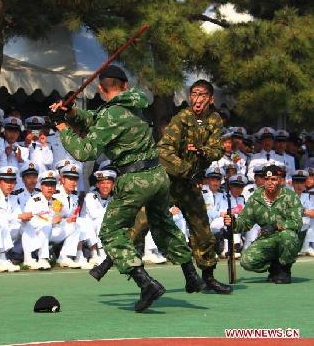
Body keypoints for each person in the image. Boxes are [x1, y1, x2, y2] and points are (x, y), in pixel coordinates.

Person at [50, 65, 204, 313]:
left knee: (111, 232)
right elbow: (98, 119)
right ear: (124, 86)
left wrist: (61, 126)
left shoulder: (112, 114)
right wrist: (71, 114)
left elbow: (85, 151)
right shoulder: (134, 104)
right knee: (163, 223)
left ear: (100, 88)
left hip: (134, 180)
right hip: (157, 175)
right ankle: (191, 275)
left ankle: (146, 283)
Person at [157, 79, 232, 294]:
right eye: (194, 94)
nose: (197, 100)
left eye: (202, 95)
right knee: (142, 221)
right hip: (169, 180)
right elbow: (163, 150)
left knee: (202, 229)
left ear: (210, 99)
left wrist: (202, 151)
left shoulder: (215, 120)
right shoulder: (181, 118)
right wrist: (186, 169)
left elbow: (217, 149)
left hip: (190, 184)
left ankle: (208, 277)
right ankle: (114, 260)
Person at [223, 165, 303, 284]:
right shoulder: (256, 198)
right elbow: (245, 221)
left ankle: (285, 270)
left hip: (286, 237)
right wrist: (233, 223)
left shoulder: (290, 196)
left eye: (273, 179)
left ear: (280, 180)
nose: (270, 182)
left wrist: (276, 226)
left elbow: (297, 222)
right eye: (267, 179)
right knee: (246, 261)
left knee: (287, 236)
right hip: (267, 239)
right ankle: (275, 268)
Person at [291, 170, 314, 256]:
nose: (299, 185)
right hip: (289, 228)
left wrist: (302, 211)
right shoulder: (286, 195)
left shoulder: (306, 196)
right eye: (297, 182)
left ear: (305, 183)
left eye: (302, 182)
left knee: (311, 220)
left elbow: (313, 213)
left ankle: (306, 246)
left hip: (301, 229)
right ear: (292, 183)